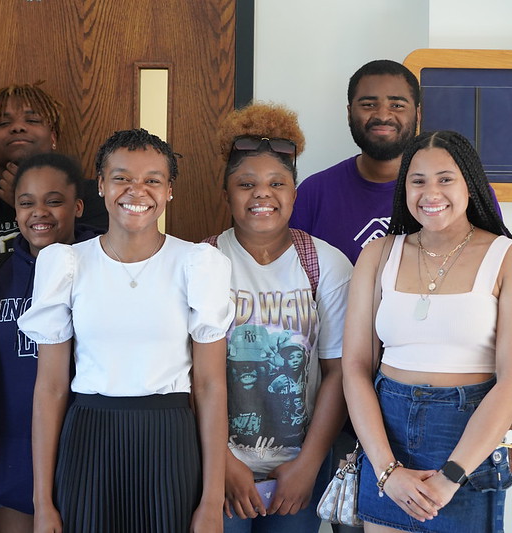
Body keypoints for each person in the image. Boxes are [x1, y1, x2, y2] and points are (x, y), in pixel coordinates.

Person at [18, 129, 235, 532]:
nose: (137, 190)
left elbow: (209, 386)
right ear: (101, 185)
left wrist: (211, 500)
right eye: (121, 178)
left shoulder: (198, 264)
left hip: (169, 440)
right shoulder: (66, 264)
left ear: (169, 190)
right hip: (88, 438)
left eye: (153, 179)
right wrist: (42, 502)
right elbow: (49, 388)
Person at [342, 130, 512, 532]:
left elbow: (510, 382)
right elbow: (355, 367)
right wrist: (387, 470)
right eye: (417, 181)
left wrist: (451, 475)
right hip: (385, 434)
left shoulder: (504, 257)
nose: (430, 192)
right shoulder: (379, 253)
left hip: (468, 441)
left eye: (445, 178)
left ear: (470, 183)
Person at [206, 102, 352, 533]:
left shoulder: (325, 264)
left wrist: (308, 465)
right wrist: (223, 461)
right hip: (220, 462)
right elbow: (194, 378)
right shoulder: (203, 262)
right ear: (226, 192)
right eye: (245, 183)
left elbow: (338, 373)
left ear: (294, 192)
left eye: (277, 183)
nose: (261, 194)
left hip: (299, 466)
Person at [0, 152, 102, 533]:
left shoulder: (104, 267)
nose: (39, 213)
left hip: (88, 452)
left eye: (54, 201)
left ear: (78, 206)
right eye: (26, 202)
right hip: (10, 450)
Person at [0, 82, 107, 259]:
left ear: (53, 137)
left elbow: (96, 264)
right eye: (4, 123)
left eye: (32, 120)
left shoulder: (93, 196)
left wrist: (30, 203)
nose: (17, 127)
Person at [291, 59, 421, 264]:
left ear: (418, 114)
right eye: (369, 105)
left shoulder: (453, 192)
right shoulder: (313, 193)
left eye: (397, 105)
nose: (383, 115)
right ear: (349, 113)